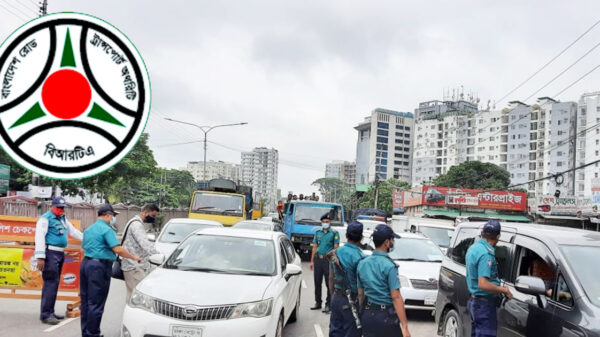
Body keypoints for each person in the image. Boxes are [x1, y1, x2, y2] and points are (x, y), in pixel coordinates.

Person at [80, 204, 141, 337]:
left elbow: (84, 246)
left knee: (86, 301)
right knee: (96, 302)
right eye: (113, 216)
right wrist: (133, 257)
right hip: (99, 267)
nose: (114, 219)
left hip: (86, 264)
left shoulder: (89, 229)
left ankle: (86, 332)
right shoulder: (107, 230)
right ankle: (93, 334)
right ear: (108, 215)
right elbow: (117, 249)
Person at [34, 196, 83, 325]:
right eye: (59, 207)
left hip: (60, 253)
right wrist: (40, 257)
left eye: (63, 208)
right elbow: (39, 237)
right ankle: (46, 314)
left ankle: (50, 311)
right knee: (50, 283)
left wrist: (88, 239)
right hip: (49, 253)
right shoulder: (45, 218)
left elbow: (74, 232)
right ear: (52, 206)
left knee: (54, 283)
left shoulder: (62, 218)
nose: (61, 210)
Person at [357, 224, 411, 337]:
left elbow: (360, 294)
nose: (393, 242)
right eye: (392, 239)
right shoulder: (390, 266)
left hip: (367, 315)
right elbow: (396, 297)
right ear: (387, 242)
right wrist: (405, 327)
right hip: (385, 317)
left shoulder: (362, 263)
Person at [465, 220, 513, 337]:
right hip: (484, 306)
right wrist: (504, 290)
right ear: (498, 237)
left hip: (474, 302)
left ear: (482, 233)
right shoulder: (486, 254)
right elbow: (483, 284)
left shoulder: (474, 248)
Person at [328, 221, 366, 337]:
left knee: (335, 331)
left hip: (337, 297)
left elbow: (331, 278)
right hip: (352, 301)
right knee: (352, 332)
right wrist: (361, 307)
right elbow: (361, 291)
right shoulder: (361, 257)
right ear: (361, 237)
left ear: (346, 235)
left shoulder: (336, 252)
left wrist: (333, 296)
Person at [121, 204, 160, 300]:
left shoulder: (135, 222)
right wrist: (159, 256)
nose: (153, 218)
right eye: (153, 215)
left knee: (132, 294)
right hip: (133, 266)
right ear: (145, 212)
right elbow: (145, 244)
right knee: (136, 297)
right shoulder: (136, 225)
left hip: (133, 265)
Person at [310, 213, 340, 313]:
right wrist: (312, 261)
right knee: (317, 282)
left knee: (329, 283)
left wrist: (335, 261)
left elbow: (336, 248)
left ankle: (328, 304)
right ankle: (318, 302)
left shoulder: (334, 233)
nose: (325, 224)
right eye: (323, 222)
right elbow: (315, 246)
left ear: (330, 222)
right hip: (318, 260)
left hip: (328, 261)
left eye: (327, 222)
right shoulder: (318, 232)